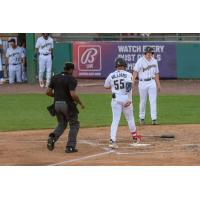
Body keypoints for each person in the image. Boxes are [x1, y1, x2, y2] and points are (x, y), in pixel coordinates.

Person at [46, 62, 85, 153]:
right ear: (71, 69)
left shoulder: (55, 77)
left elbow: (48, 92)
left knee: (62, 123)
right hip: (67, 105)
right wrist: (80, 103)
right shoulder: (71, 79)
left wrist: (57, 96)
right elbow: (73, 95)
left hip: (56, 104)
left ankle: (52, 137)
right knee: (74, 124)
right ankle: (70, 146)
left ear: (64, 68)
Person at [104, 57, 141, 149]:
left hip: (115, 99)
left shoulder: (111, 75)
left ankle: (112, 140)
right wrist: (127, 99)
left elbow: (106, 86)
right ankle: (135, 136)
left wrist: (113, 87)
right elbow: (129, 86)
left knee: (115, 120)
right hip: (125, 98)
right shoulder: (128, 74)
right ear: (124, 66)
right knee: (130, 118)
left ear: (116, 66)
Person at [133, 46, 161, 125]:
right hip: (142, 82)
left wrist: (158, 84)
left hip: (152, 82)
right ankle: (141, 118)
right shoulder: (140, 61)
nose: (149, 54)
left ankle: (154, 119)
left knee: (153, 101)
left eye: (151, 53)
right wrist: (133, 81)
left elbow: (156, 73)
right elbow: (135, 71)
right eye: (148, 52)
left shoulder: (154, 61)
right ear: (145, 53)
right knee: (143, 101)